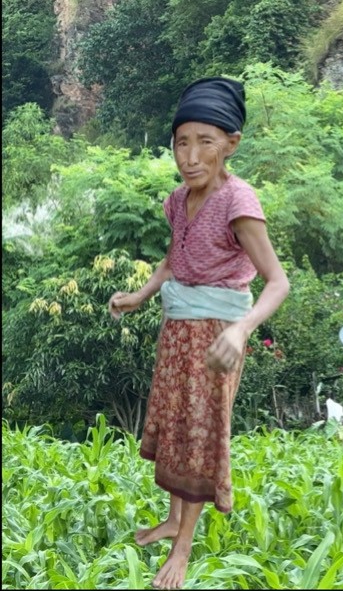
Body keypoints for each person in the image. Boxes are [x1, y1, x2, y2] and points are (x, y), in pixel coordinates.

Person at [109, 77, 290, 589]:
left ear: (231, 143)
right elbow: (176, 258)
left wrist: (240, 331)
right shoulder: (176, 200)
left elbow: (278, 283)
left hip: (216, 337)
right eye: (180, 142)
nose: (190, 156)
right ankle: (173, 519)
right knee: (173, 425)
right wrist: (141, 295)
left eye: (204, 142)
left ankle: (183, 548)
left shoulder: (239, 202)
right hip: (177, 328)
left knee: (199, 437)